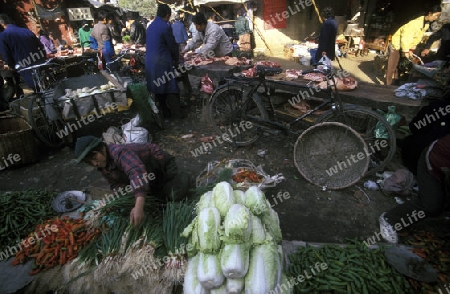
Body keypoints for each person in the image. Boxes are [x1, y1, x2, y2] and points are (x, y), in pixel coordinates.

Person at [74, 136, 190, 226]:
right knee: (155, 203)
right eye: (90, 162)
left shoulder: (118, 152)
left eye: (94, 158)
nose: (94, 164)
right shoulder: (103, 167)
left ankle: (184, 177)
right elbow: (115, 185)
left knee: (174, 194)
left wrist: (138, 206)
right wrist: (114, 201)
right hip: (148, 176)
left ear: (102, 148)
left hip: (160, 165)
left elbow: (136, 173)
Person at [379, 133, 450, 244]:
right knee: (431, 205)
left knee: (440, 205)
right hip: (433, 162)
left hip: (444, 167)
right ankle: (391, 219)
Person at [386, 5, 441, 86]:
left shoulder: (426, 24)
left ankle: (394, 84)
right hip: (396, 44)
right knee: (392, 66)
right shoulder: (415, 23)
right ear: (430, 13)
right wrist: (406, 51)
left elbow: (418, 37)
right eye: (436, 15)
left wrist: (411, 49)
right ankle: (387, 85)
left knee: (398, 66)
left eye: (438, 16)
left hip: (405, 45)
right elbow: (406, 37)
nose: (436, 18)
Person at [146, 4, 183, 120]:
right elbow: (172, 46)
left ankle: (164, 112)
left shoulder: (150, 26)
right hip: (162, 61)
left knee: (158, 87)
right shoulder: (165, 26)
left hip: (150, 61)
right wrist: (177, 59)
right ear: (167, 15)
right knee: (170, 86)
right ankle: (178, 114)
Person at [0, 13, 46, 90]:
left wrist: (11, 66)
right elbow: (40, 47)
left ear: (1, 24)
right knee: (47, 89)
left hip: (25, 66)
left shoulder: (3, 36)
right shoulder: (26, 30)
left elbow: (6, 55)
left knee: (38, 90)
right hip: (39, 64)